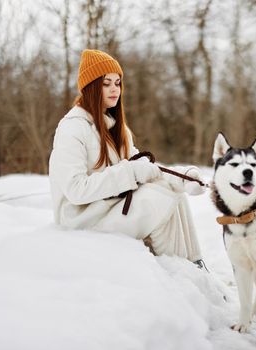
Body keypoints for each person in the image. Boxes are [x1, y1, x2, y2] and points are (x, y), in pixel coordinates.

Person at [49, 49, 207, 270]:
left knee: (171, 190)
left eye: (118, 82)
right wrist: (130, 173)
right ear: (91, 87)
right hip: (84, 221)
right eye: (106, 83)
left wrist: (180, 176)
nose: (115, 89)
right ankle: (180, 269)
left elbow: (143, 166)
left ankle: (193, 265)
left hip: (113, 209)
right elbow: (75, 190)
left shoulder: (116, 128)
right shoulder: (72, 128)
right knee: (158, 198)